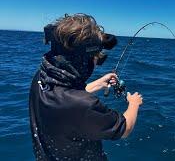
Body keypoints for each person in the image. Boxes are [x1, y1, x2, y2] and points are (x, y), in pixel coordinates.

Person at [29, 13, 143, 161]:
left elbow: (63, 100)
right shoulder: (83, 105)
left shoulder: (41, 77)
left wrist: (98, 83)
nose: (96, 63)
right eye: (96, 58)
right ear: (82, 60)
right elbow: (125, 129)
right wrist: (134, 103)